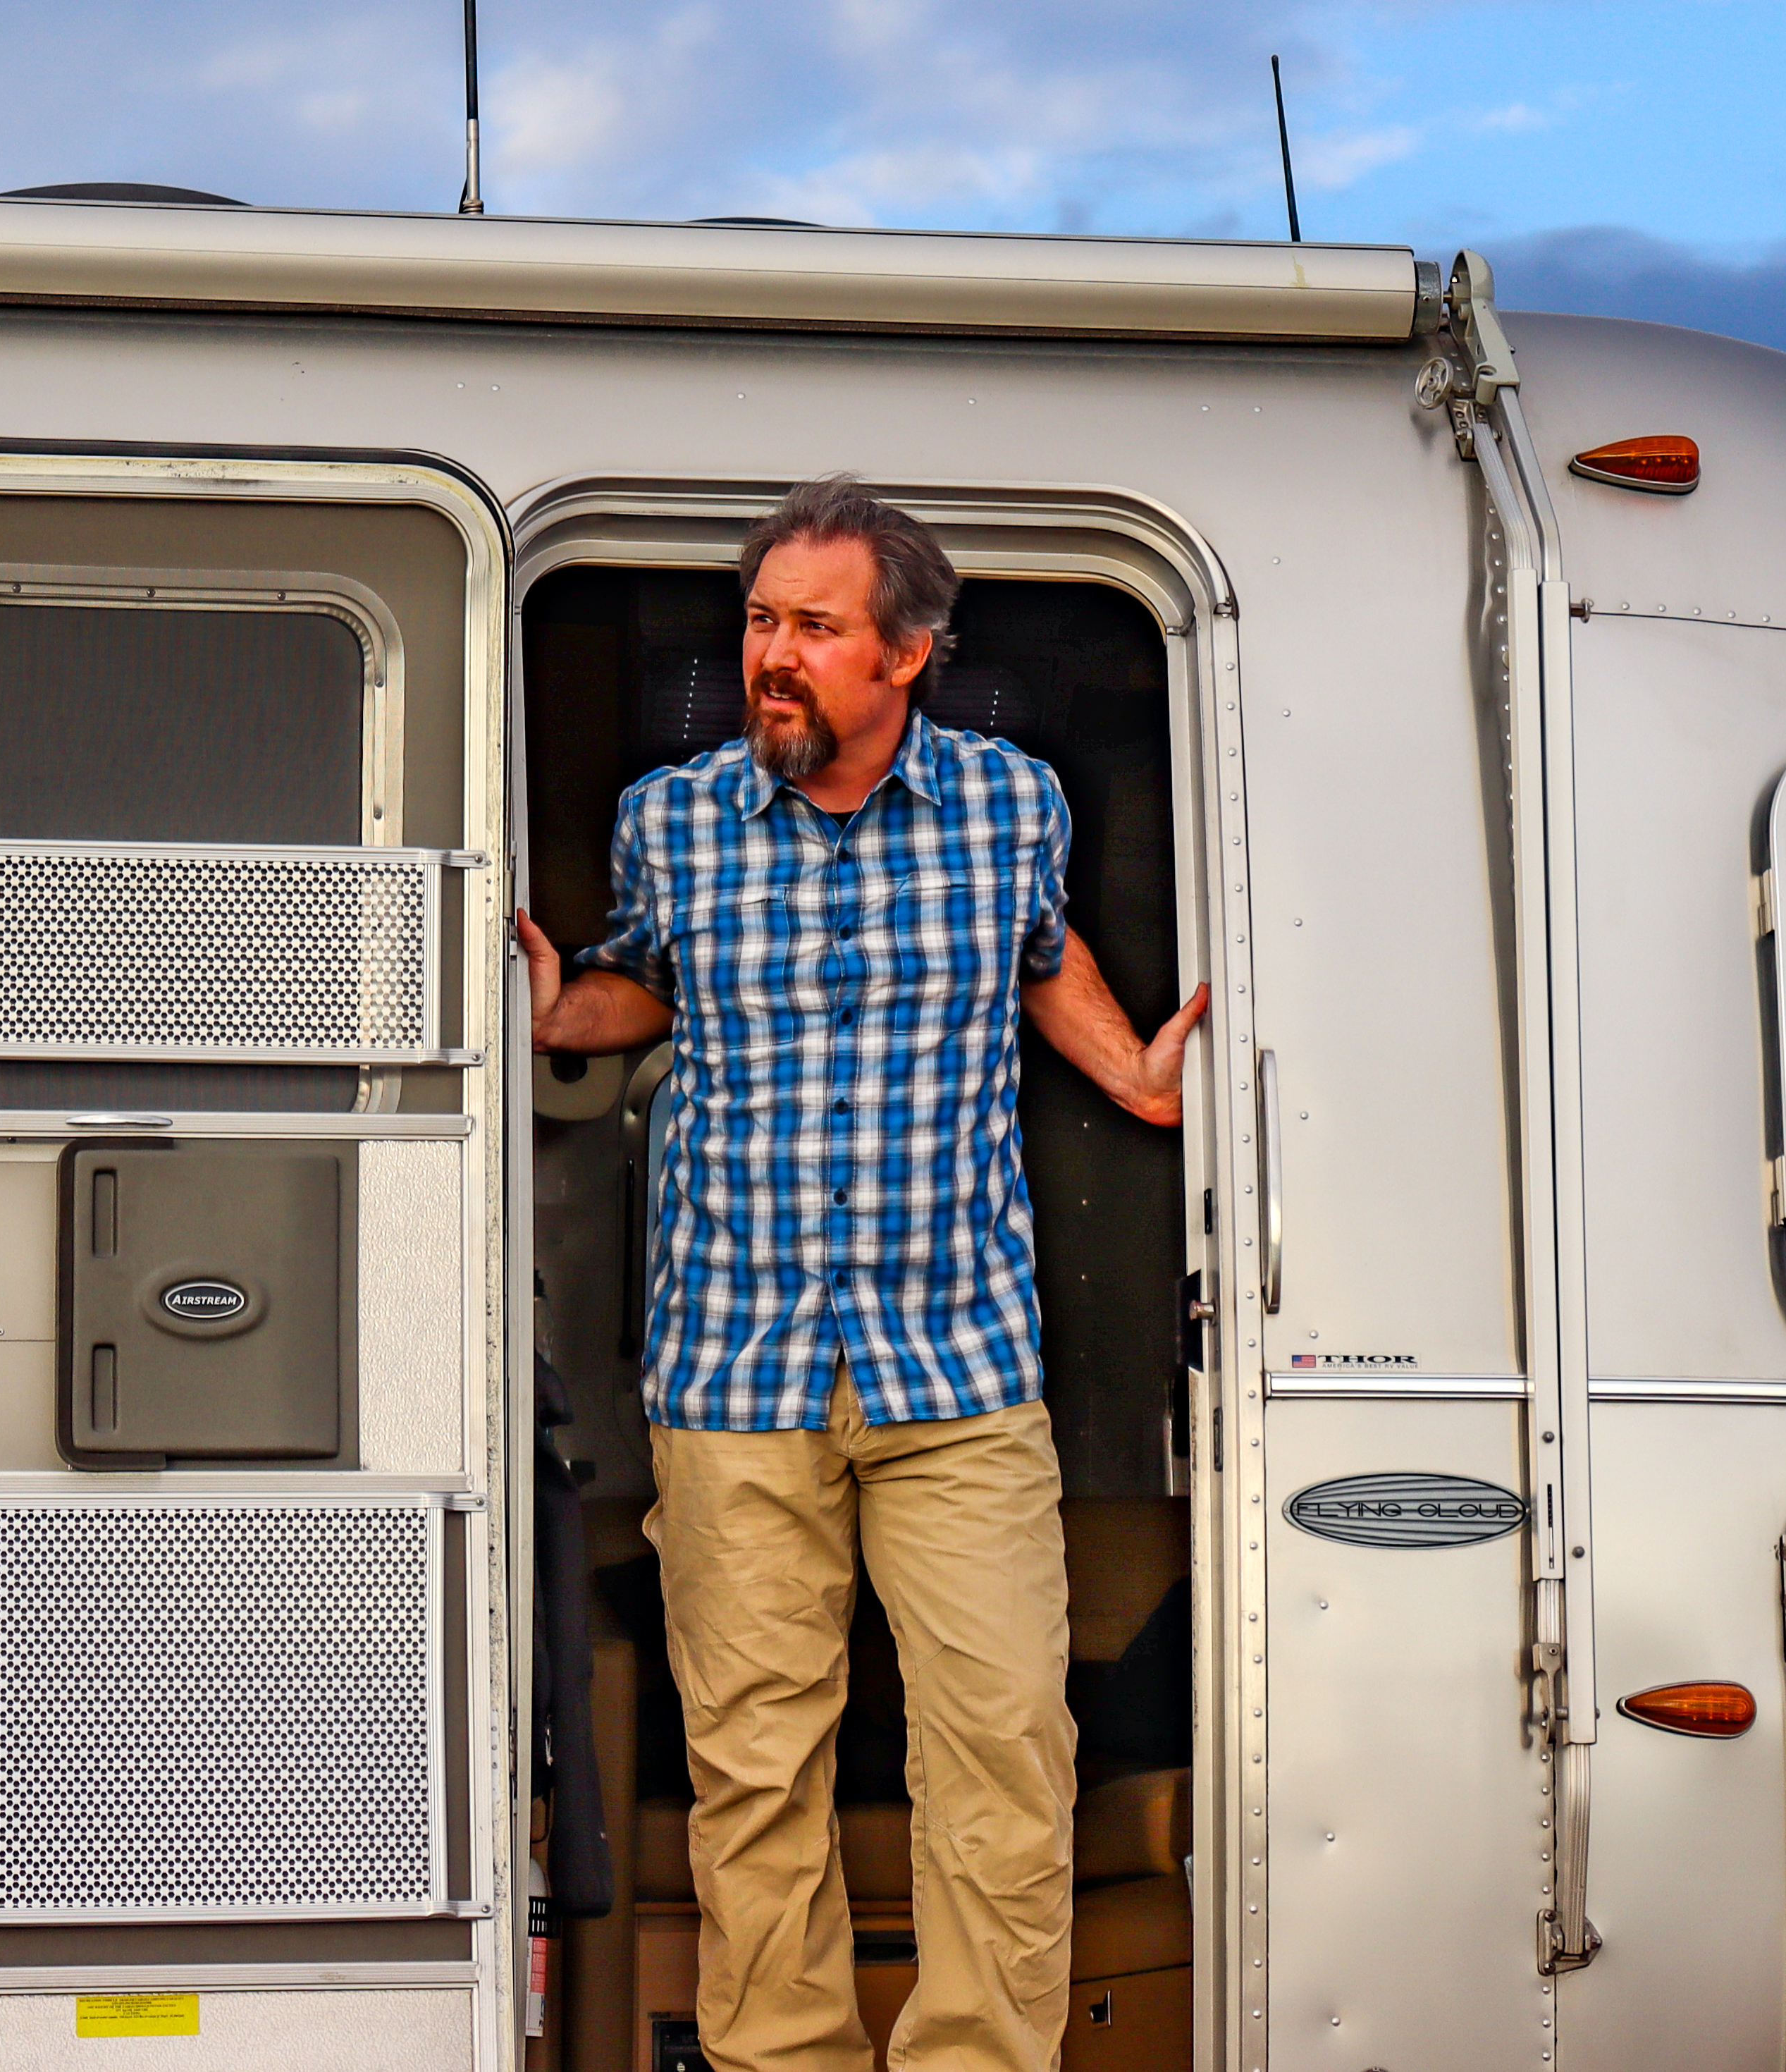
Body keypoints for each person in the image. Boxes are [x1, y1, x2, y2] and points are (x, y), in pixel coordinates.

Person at [517, 475, 1206, 2072]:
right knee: (755, 1769)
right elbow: (646, 984)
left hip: (954, 1371)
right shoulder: (673, 818)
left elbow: (1039, 953)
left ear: (906, 653)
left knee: (1005, 1753)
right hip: (734, 1376)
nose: (773, 655)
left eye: (813, 629)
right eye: (761, 622)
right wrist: (565, 1012)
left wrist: (1138, 1078)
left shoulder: (1008, 804)